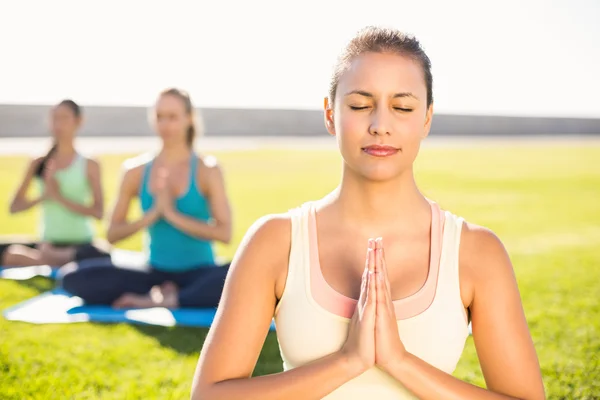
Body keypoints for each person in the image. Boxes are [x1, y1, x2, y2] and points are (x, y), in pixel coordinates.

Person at [190, 27, 545, 400]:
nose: (380, 125)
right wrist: (348, 361)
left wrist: (399, 361)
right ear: (330, 115)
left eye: (402, 107)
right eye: (360, 105)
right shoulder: (276, 241)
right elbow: (210, 396)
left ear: (426, 118)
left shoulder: (476, 252)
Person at [60, 88, 232, 310]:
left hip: (200, 273)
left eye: (172, 117)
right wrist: (151, 216)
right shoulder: (135, 171)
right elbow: (112, 234)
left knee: (244, 275)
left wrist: (171, 214)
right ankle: (172, 297)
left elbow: (224, 233)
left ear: (189, 119)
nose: (165, 125)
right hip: (153, 274)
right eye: (159, 117)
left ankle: (167, 300)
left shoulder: (207, 170)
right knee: (72, 277)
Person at [1, 99, 107, 267]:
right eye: (55, 118)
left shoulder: (89, 164)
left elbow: (99, 212)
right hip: (48, 243)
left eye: (64, 118)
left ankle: (47, 261)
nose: (58, 124)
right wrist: (44, 196)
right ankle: (53, 260)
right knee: (4, 248)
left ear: (78, 121)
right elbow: (14, 207)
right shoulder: (38, 161)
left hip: (79, 244)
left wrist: (59, 197)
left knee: (99, 254)